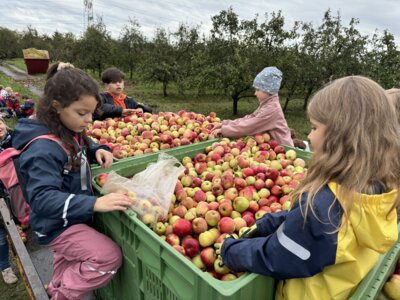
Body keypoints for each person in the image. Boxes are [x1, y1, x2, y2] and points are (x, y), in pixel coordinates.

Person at [219, 76, 400, 299]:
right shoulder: (378, 189)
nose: (308, 135)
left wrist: (230, 251)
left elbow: (278, 256)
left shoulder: (323, 208)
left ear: (339, 138)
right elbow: (313, 230)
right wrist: (275, 221)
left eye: (314, 127)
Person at [12, 62, 134, 300]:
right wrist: (92, 204)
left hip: (68, 217)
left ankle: (56, 286)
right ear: (57, 107)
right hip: (57, 225)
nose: (89, 120)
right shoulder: (42, 148)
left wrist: (97, 148)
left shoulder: (64, 129)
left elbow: (79, 145)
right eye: (82, 113)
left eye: (92, 113)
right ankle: (61, 295)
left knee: (67, 262)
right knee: (108, 256)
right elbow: (42, 198)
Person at [211, 66, 293, 146]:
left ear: (268, 90)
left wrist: (224, 130)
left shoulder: (272, 109)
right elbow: (249, 118)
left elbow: (249, 126)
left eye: (258, 90)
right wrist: (225, 123)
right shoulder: (267, 104)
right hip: (275, 149)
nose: (255, 93)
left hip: (285, 149)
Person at [0, 116, 19, 285]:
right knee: (0, 237)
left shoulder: (18, 137)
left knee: (21, 227)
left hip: (19, 194)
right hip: (1, 196)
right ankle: (5, 267)